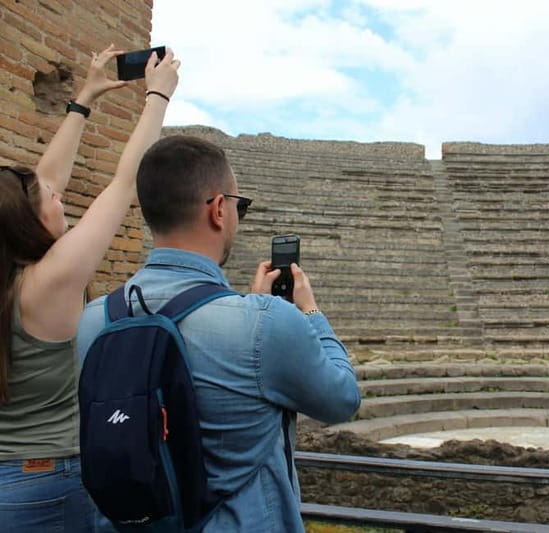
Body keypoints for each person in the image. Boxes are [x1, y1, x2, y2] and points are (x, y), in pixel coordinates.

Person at [76, 134, 361, 532]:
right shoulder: (265, 322)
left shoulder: (92, 320)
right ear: (217, 210)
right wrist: (308, 312)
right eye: (238, 205)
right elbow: (342, 400)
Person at [0, 45, 180, 531]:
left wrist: (85, 99)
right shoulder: (48, 281)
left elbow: (42, 179)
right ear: (28, 220)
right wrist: (158, 97)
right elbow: (124, 184)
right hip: (43, 483)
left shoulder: (12, 277)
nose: (61, 197)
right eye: (54, 199)